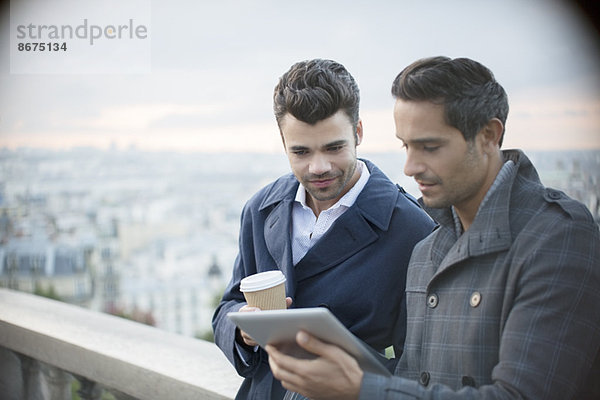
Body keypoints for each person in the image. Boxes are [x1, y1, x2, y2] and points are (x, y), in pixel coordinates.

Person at [266, 56, 600, 399]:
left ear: (488, 135)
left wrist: (360, 388)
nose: (410, 167)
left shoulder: (559, 236)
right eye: (406, 145)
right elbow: (416, 382)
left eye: (430, 147)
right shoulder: (426, 250)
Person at [212, 58, 436, 400]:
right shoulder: (260, 209)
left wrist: (351, 380)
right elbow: (227, 307)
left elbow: (421, 369)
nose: (319, 167)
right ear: (282, 141)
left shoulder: (411, 228)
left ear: (358, 132)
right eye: (300, 152)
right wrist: (244, 327)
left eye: (334, 148)